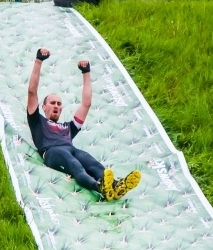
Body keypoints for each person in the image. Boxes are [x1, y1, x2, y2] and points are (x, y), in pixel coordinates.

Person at [27, 48, 141, 201]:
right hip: (52, 152)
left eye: (59, 104)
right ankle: (100, 187)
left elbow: (86, 104)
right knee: (75, 165)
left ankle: (115, 186)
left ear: (61, 109)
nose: (56, 106)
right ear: (44, 107)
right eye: (52, 103)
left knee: (93, 164)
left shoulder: (69, 128)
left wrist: (86, 73)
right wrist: (38, 61)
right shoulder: (37, 121)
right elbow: (32, 92)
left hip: (71, 149)